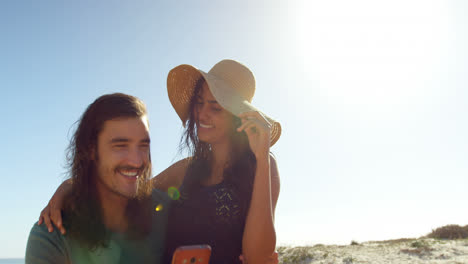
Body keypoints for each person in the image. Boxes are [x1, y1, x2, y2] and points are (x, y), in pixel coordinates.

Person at [40, 60, 281, 264]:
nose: (201, 114)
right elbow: (124, 192)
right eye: (199, 102)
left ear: (238, 115)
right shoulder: (186, 169)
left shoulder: (262, 168)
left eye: (215, 107)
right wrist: (70, 186)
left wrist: (261, 158)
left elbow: (258, 257)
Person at [27, 93, 169, 264]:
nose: (137, 161)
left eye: (143, 145)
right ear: (91, 150)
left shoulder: (164, 211)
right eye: (121, 146)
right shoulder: (52, 237)